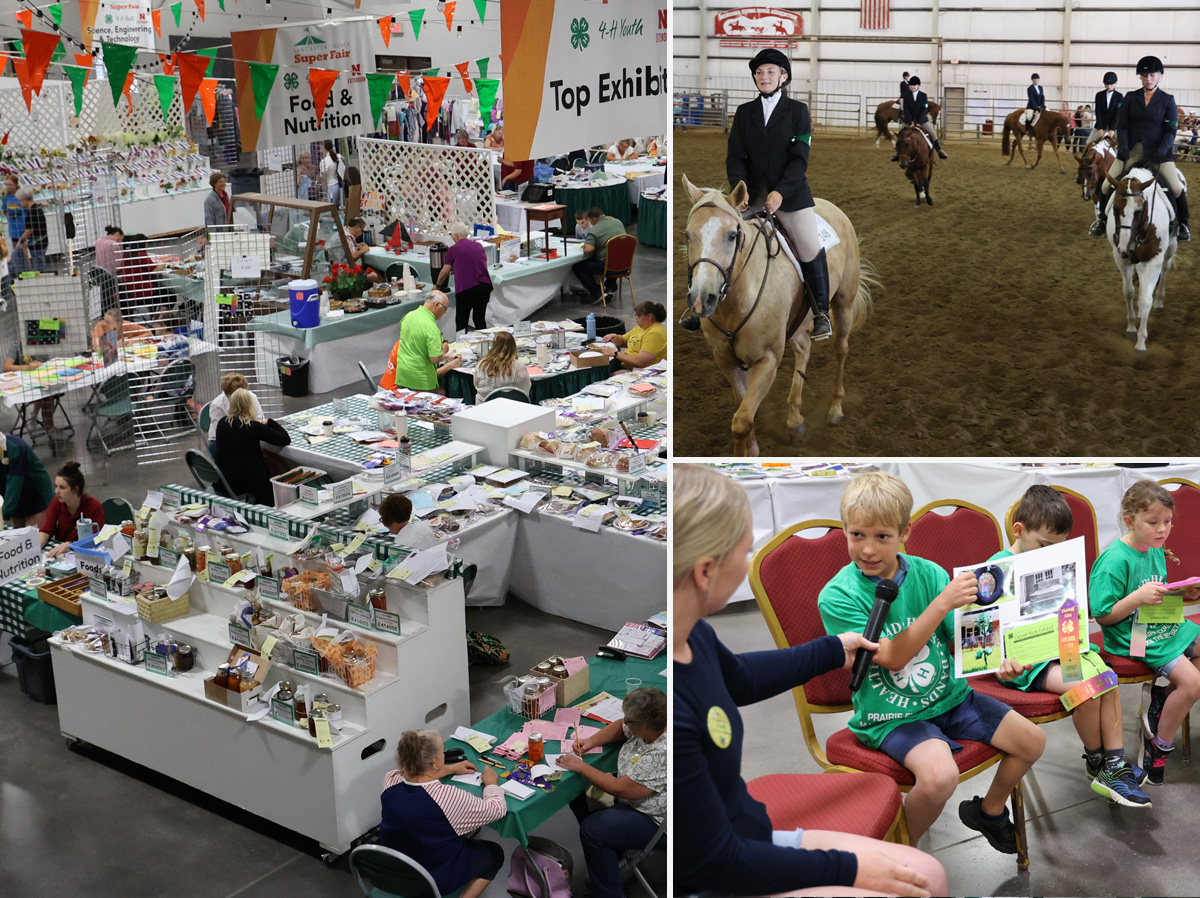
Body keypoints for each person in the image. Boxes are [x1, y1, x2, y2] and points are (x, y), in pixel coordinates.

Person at [674, 464, 947, 897]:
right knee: (909, 886)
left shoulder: (694, 636)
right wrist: (852, 870)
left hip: (747, 837)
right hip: (725, 871)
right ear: (706, 571)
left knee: (927, 875)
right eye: (745, 552)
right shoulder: (677, 708)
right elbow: (717, 865)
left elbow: (740, 678)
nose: (748, 564)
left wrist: (832, 648)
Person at [818, 472, 1045, 852]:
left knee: (1032, 740)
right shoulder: (837, 596)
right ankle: (901, 853)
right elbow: (890, 658)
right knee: (940, 778)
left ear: (905, 532)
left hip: (952, 699)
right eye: (857, 535)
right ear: (844, 530)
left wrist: (1000, 660)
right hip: (892, 716)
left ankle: (988, 812)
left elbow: (962, 639)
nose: (868, 550)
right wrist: (941, 603)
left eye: (882, 537)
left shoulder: (929, 573)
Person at [994, 485, 1150, 807]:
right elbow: (990, 630)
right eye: (1044, 545)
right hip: (1029, 663)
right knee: (1087, 689)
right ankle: (1096, 763)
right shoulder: (997, 567)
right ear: (1019, 530)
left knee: (1107, 680)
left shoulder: (1051, 560)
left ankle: (1115, 765)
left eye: (1058, 548)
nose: (1051, 554)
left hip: (1062, 647)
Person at [1091, 480, 1200, 786]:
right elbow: (1103, 616)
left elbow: (1156, 594)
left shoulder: (1153, 547)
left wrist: (1184, 592)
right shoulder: (1113, 560)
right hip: (1134, 634)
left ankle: (1163, 697)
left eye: (1167, 522)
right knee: (1193, 685)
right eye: (1153, 522)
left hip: (1158, 622)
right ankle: (1159, 746)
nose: (1162, 529)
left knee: (1191, 679)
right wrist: (1138, 598)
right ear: (1130, 521)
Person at [726, 48, 832, 340]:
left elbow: (800, 159)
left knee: (809, 245)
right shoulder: (744, 112)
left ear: (783, 77)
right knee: (716, 235)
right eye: (759, 73)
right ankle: (702, 303)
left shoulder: (798, 111)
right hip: (751, 195)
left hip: (790, 195)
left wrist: (781, 193)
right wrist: (740, 189)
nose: (764, 77)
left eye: (770, 71)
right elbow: (736, 157)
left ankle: (821, 312)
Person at [557, 687, 667, 898]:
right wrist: (591, 741)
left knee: (594, 830)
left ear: (646, 725)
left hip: (657, 821)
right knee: (578, 794)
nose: (625, 722)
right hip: (636, 799)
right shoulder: (649, 727)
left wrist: (579, 766)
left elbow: (621, 788)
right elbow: (620, 727)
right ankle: (614, 858)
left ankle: (608, 894)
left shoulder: (662, 750)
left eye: (630, 721)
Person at [380, 729, 505, 898]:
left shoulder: (390, 779)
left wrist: (450, 769)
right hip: (431, 878)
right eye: (442, 753)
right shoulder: (447, 798)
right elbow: (497, 809)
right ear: (434, 762)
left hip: (393, 869)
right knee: (493, 853)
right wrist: (491, 784)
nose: (444, 755)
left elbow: (417, 773)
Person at [1090, 56, 1189, 242]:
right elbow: (1123, 125)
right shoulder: (1130, 98)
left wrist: (1162, 151)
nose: (1148, 78)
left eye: (1152, 75)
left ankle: (1184, 224)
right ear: (1140, 77)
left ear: (1160, 76)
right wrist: (1125, 147)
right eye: (1144, 75)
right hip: (1131, 151)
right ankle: (1102, 221)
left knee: (1176, 187)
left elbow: (1170, 130)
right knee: (1105, 185)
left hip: (1160, 153)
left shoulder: (1168, 101)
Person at [213, 389, 291, 506]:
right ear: (250, 405)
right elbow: (284, 439)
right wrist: (269, 422)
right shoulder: (252, 427)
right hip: (249, 484)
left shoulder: (222, 423)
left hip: (225, 480)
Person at [394, 291, 462, 392]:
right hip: (421, 380)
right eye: (445, 308)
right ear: (437, 305)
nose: (445, 312)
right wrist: (443, 349)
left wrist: (448, 357)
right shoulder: (431, 327)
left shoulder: (408, 316)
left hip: (403, 376)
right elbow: (435, 358)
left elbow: (418, 348)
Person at [38, 461, 104, 557]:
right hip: (61, 554)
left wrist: (71, 545)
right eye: (56, 486)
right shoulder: (56, 503)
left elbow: (97, 540)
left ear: (75, 489)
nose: (56, 491)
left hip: (86, 555)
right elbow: (45, 531)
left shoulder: (94, 507)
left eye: (62, 487)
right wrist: (35, 549)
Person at [436, 222, 493, 332]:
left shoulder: (453, 249)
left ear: (456, 236)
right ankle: (485, 345)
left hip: (466, 288)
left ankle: (460, 346)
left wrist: (437, 285)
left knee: (461, 322)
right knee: (479, 319)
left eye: (452, 236)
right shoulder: (479, 246)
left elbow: (444, 272)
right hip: (484, 286)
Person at [5, 342, 61, 437]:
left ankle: (38, 417)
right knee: (43, 392)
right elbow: (7, 367)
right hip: (23, 382)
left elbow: (48, 365)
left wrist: (42, 365)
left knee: (46, 389)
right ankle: (48, 425)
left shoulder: (43, 343)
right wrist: (28, 367)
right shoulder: (16, 345)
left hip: (40, 381)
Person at [572, 207, 626, 304]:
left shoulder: (595, 230)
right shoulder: (618, 222)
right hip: (625, 264)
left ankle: (598, 293)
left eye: (590, 221)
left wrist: (584, 245)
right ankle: (610, 287)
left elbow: (589, 249)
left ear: (594, 219)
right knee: (614, 254)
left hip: (608, 267)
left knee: (578, 268)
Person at [0, 432, 52, 527]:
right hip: (15, 502)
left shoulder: (16, 447)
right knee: (19, 537)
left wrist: (4, 514)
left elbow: (14, 484)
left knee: (34, 538)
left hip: (36, 499)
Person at [207, 372, 263, 459]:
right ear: (226, 394)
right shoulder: (217, 405)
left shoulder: (252, 397)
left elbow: (259, 419)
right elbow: (222, 433)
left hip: (248, 436)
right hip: (221, 441)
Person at [891, 76, 947, 161]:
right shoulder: (906, 96)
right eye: (911, 85)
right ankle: (898, 153)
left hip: (922, 121)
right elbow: (906, 110)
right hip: (908, 120)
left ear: (918, 86)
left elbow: (924, 110)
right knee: (901, 135)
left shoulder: (923, 96)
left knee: (933, 133)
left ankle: (940, 151)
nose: (912, 87)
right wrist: (910, 122)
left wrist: (919, 122)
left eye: (914, 85)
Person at [598, 301, 667, 369]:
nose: (636, 318)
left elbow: (641, 362)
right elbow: (623, 340)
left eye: (638, 315)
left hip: (638, 371)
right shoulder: (641, 327)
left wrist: (615, 353)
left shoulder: (655, 334)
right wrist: (615, 337)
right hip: (626, 365)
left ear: (649, 316)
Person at [473, 331, 530, 401]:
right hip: (514, 408)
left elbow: (476, 385)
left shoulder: (481, 364)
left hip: (485, 408)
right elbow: (526, 389)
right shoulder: (519, 365)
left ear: (493, 346)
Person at [15, 188, 48, 274]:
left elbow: (28, 231)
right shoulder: (37, 209)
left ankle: (41, 282)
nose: (19, 203)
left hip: (37, 245)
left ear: (24, 199)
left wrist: (20, 241)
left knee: (39, 268)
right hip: (42, 242)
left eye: (20, 201)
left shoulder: (32, 212)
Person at [343, 218, 383, 283]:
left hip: (353, 267)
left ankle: (384, 287)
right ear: (357, 228)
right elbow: (351, 256)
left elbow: (350, 248)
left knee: (376, 272)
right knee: (374, 275)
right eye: (362, 231)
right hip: (349, 270)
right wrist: (363, 250)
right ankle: (383, 289)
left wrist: (358, 245)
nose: (361, 234)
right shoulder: (347, 237)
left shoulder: (345, 232)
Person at [1092, 71, 1123, 144]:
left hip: (1114, 127)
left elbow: (1118, 114)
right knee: (1089, 142)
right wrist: (1100, 128)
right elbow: (1098, 112)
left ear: (1115, 84)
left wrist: (1112, 129)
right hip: (1101, 126)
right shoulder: (1099, 95)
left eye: (1111, 84)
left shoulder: (1119, 96)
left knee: (1122, 144)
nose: (1109, 86)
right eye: (1107, 84)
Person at [4, 175, 25, 276]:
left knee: (23, 250)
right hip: (13, 228)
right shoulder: (6, 197)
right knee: (16, 252)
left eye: (10, 184)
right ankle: (19, 272)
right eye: (7, 184)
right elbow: (4, 209)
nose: (8, 186)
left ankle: (26, 271)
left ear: (16, 184)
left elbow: (26, 209)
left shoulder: (21, 195)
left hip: (23, 227)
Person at [320, 140, 346, 207]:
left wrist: (324, 195)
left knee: (332, 208)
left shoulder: (324, 162)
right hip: (338, 184)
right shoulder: (338, 157)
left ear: (324, 148)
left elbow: (324, 179)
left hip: (330, 187)